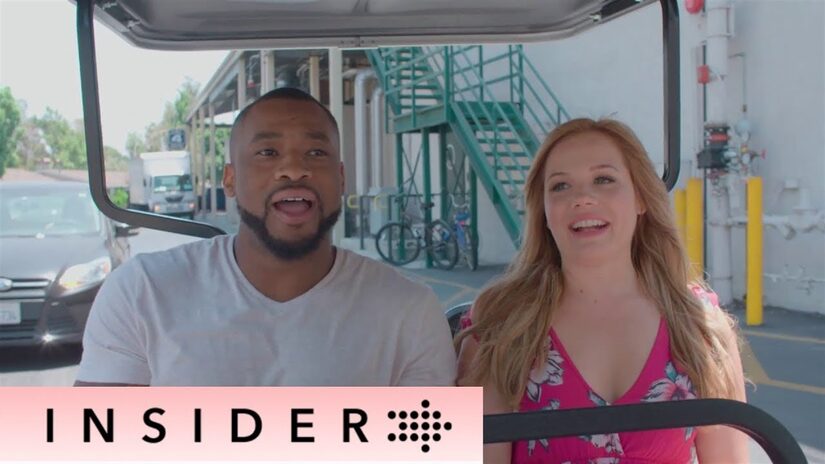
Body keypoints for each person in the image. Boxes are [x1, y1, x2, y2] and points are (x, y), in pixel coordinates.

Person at [75, 87, 456, 386]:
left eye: (316, 152)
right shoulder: (142, 292)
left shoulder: (409, 311)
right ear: (230, 180)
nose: (293, 169)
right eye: (268, 152)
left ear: (341, 179)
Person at [455, 118, 748, 463]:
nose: (582, 198)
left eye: (604, 179)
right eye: (560, 186)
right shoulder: (502, 321)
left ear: (641, 198)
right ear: (544, 212)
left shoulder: (699, 324)